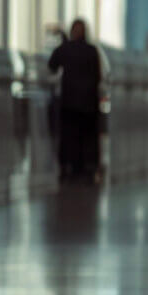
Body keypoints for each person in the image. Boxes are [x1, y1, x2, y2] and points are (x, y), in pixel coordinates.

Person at [48, 20, 102, 184]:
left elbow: (52, 65)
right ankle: (88, 170)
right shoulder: (92, 51)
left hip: (69, 103)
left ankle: (68, 169)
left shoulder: (65, 49)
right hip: (89, 104)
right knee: (88, 138)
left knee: (69, 137)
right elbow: (98, 75)